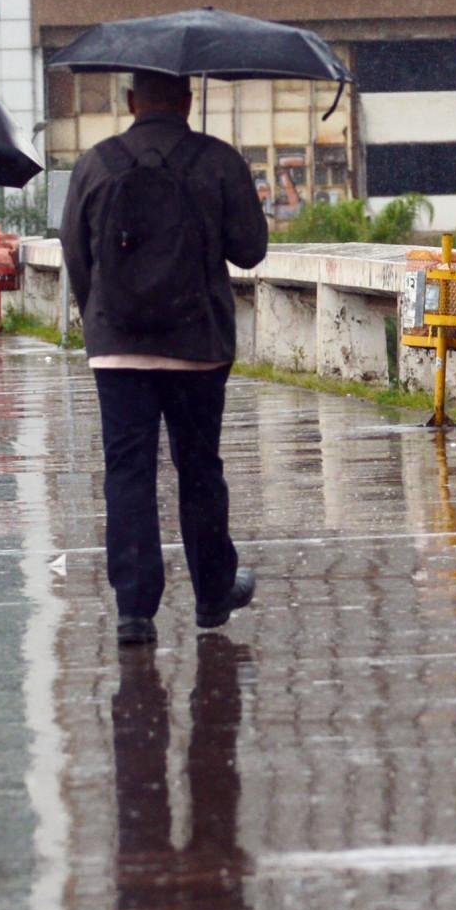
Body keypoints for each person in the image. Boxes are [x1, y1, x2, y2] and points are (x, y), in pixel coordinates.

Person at [59, 69, 267, 648]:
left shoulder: (95, 164)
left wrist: (102, 316)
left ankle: (134, 610)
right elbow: (251, 250)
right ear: (187, 101)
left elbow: (75, 253)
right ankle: (212, 595)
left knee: (127, 472)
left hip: (117, 348)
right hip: (197, 346)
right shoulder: (218, 160)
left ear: (130, 101)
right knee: (199, 468)